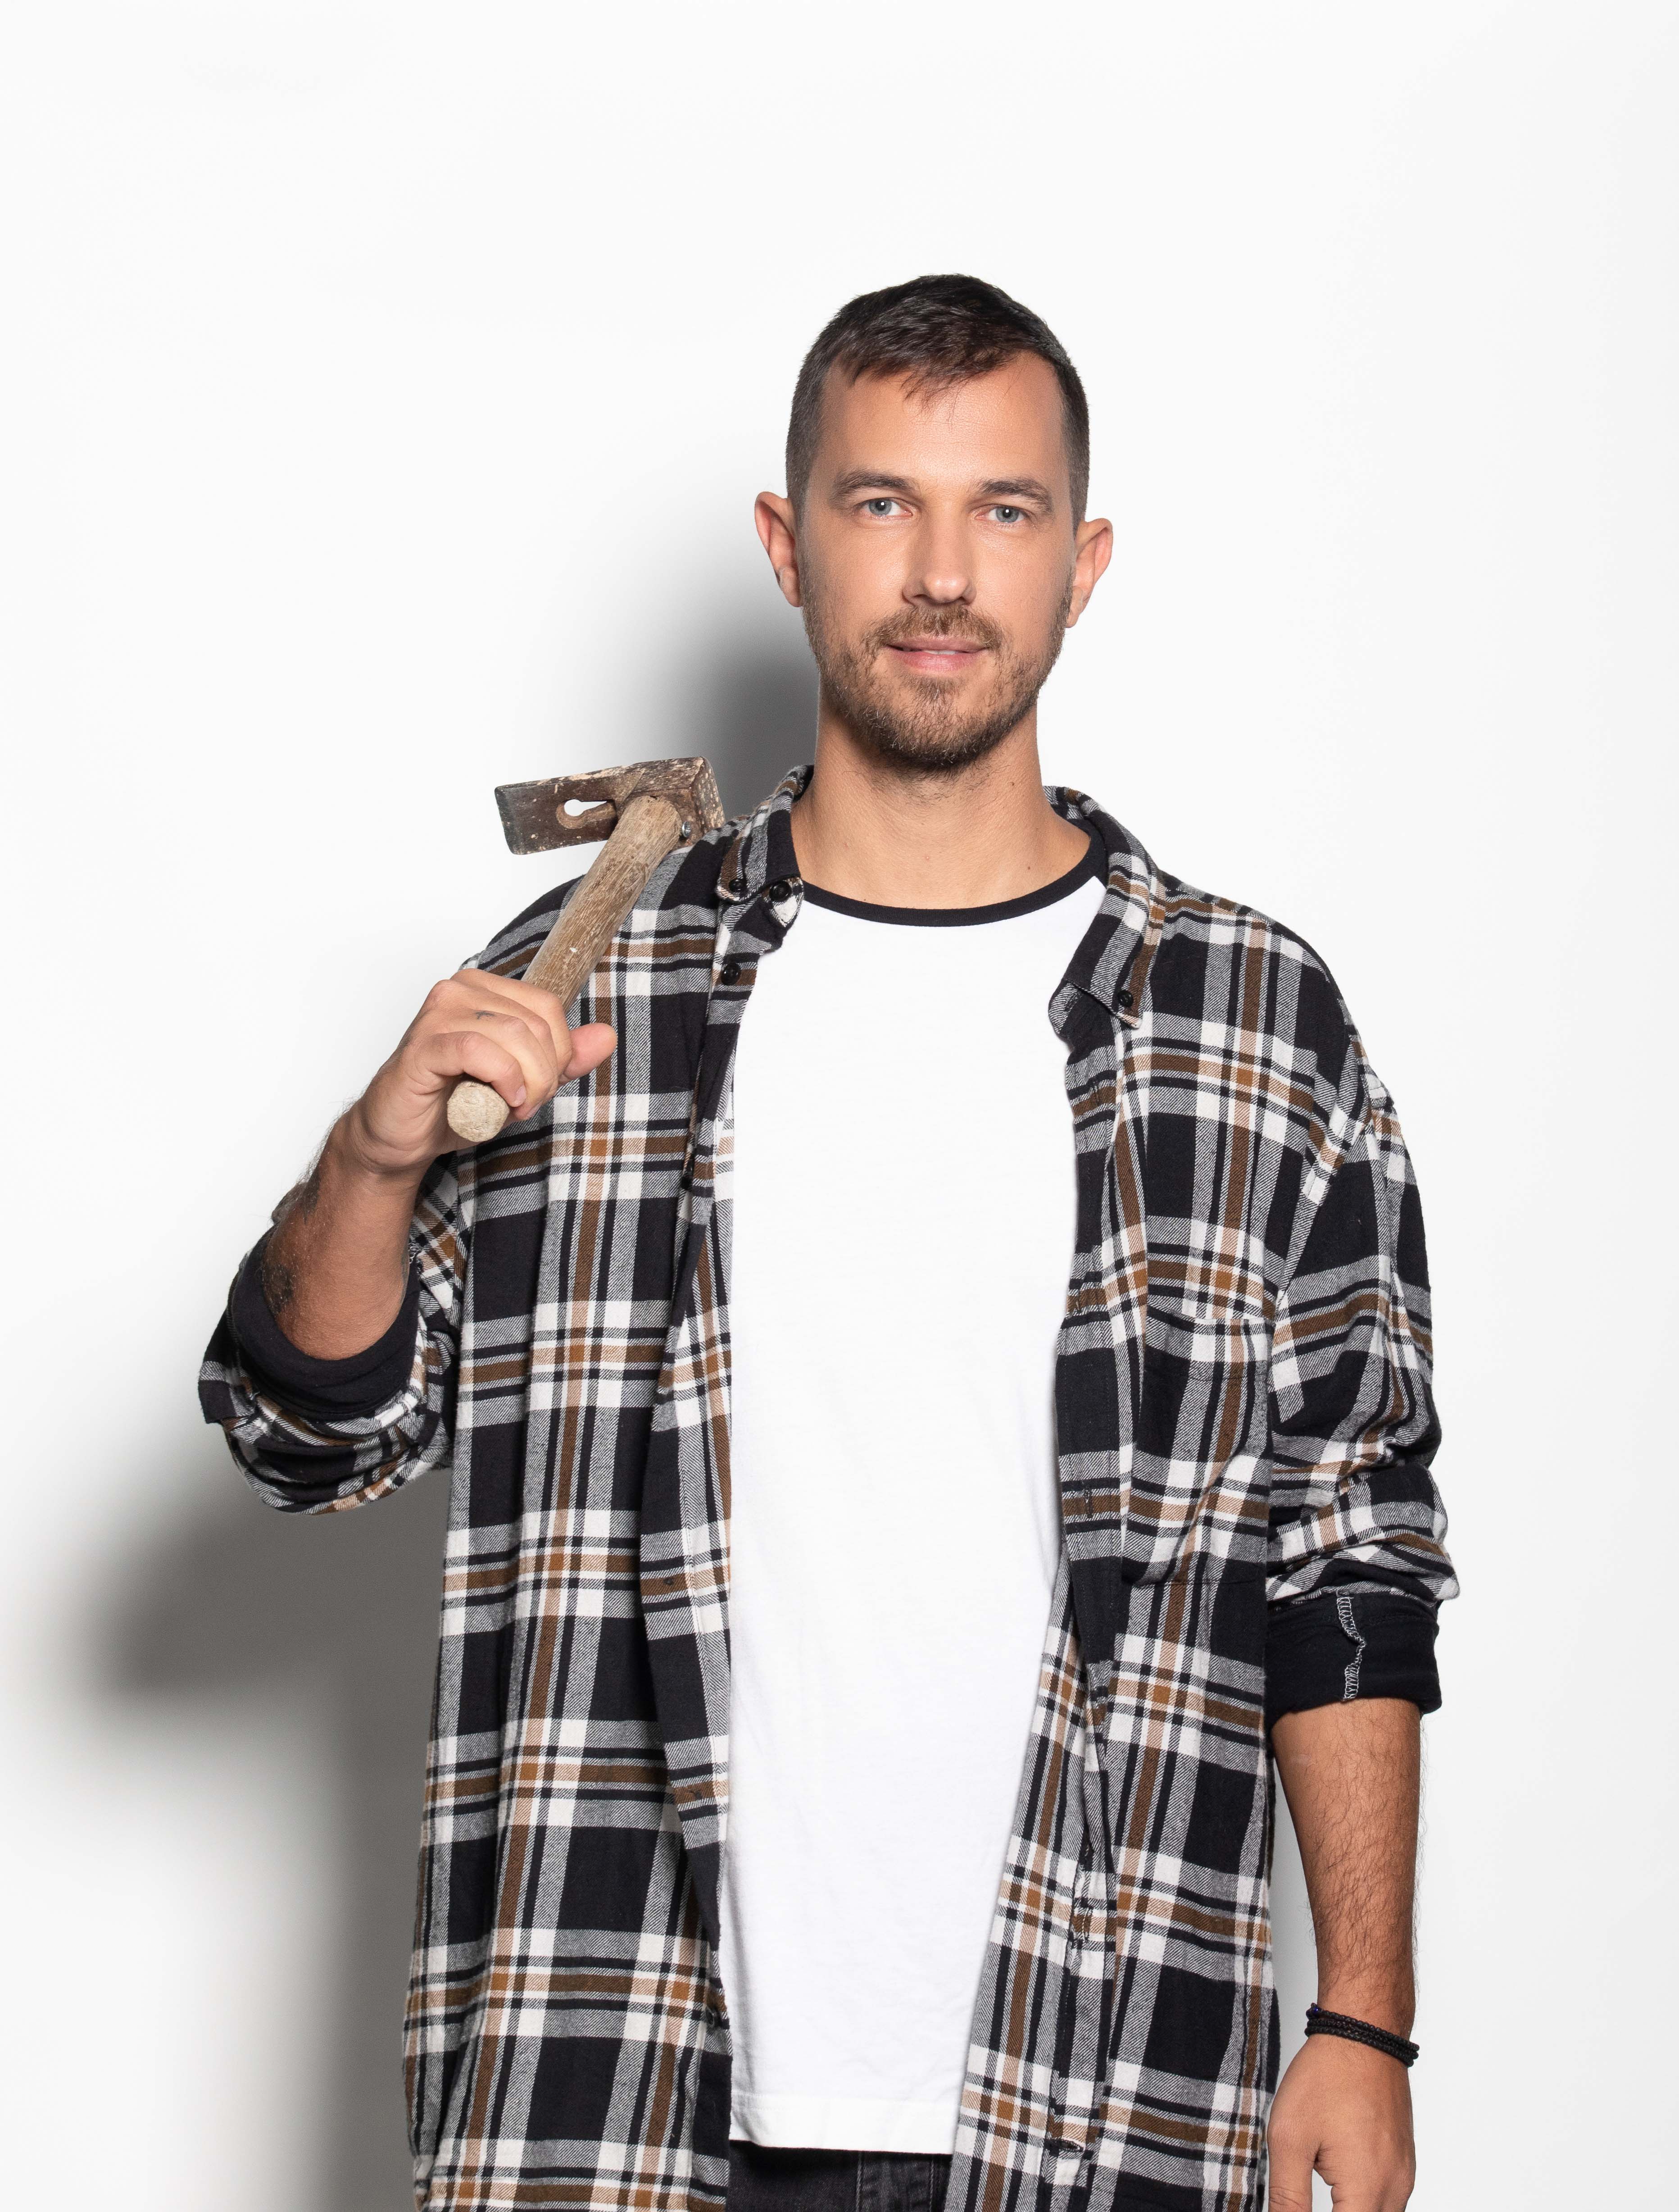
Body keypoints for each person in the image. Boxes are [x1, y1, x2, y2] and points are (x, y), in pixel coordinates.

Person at [200, 274, 1457, 2212]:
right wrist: (372, 1162)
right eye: (883, 505)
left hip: (1104, 2073)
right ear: (789, 549)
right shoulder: (583, 989)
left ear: (1082, 563)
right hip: (618, 2081)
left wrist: (1361, 2022)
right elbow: (309, 1434)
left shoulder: (1249, 1022)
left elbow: (1350, 1545)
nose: (942, 574)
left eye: (1002, 511)